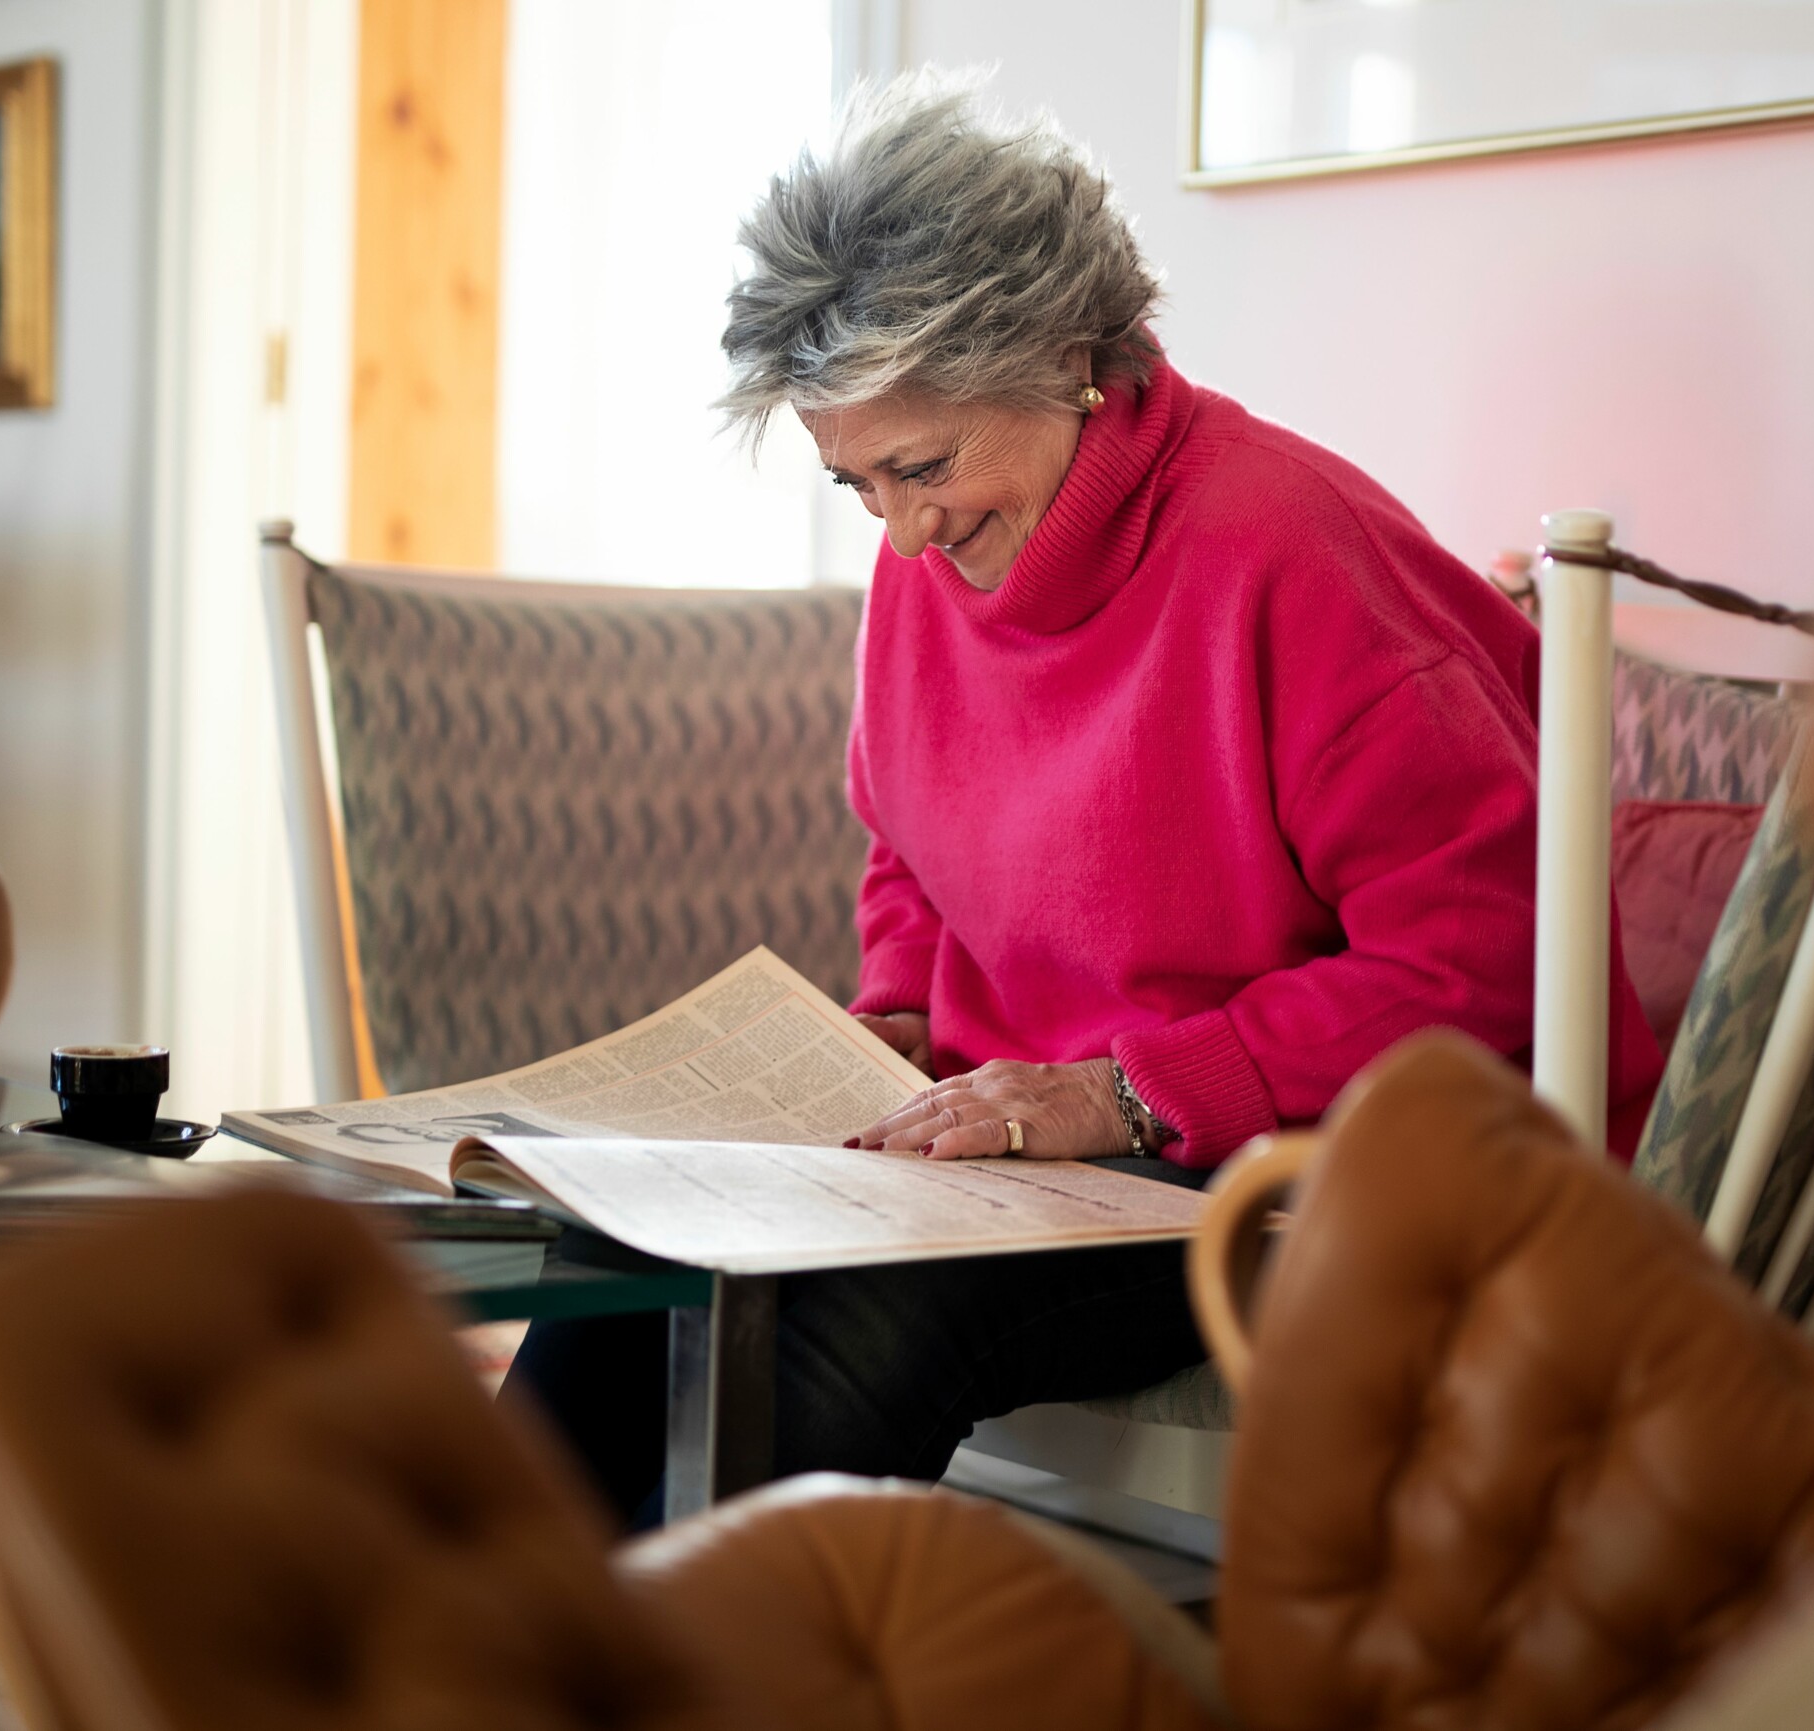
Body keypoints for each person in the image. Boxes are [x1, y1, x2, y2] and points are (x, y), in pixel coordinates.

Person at [504, 74, 1664, 1526]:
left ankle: (699, 1642)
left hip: (1303, 1170)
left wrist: (1126, 1092)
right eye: (857, 486)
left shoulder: (1290, 551)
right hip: (1039, 1154)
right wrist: (902, 1012)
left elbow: (1490, 957)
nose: (903, 535)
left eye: (922, 468)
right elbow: (911, 850)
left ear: (1066, 360)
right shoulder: (936, 557)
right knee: (627, 1266)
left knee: (860, 1325)